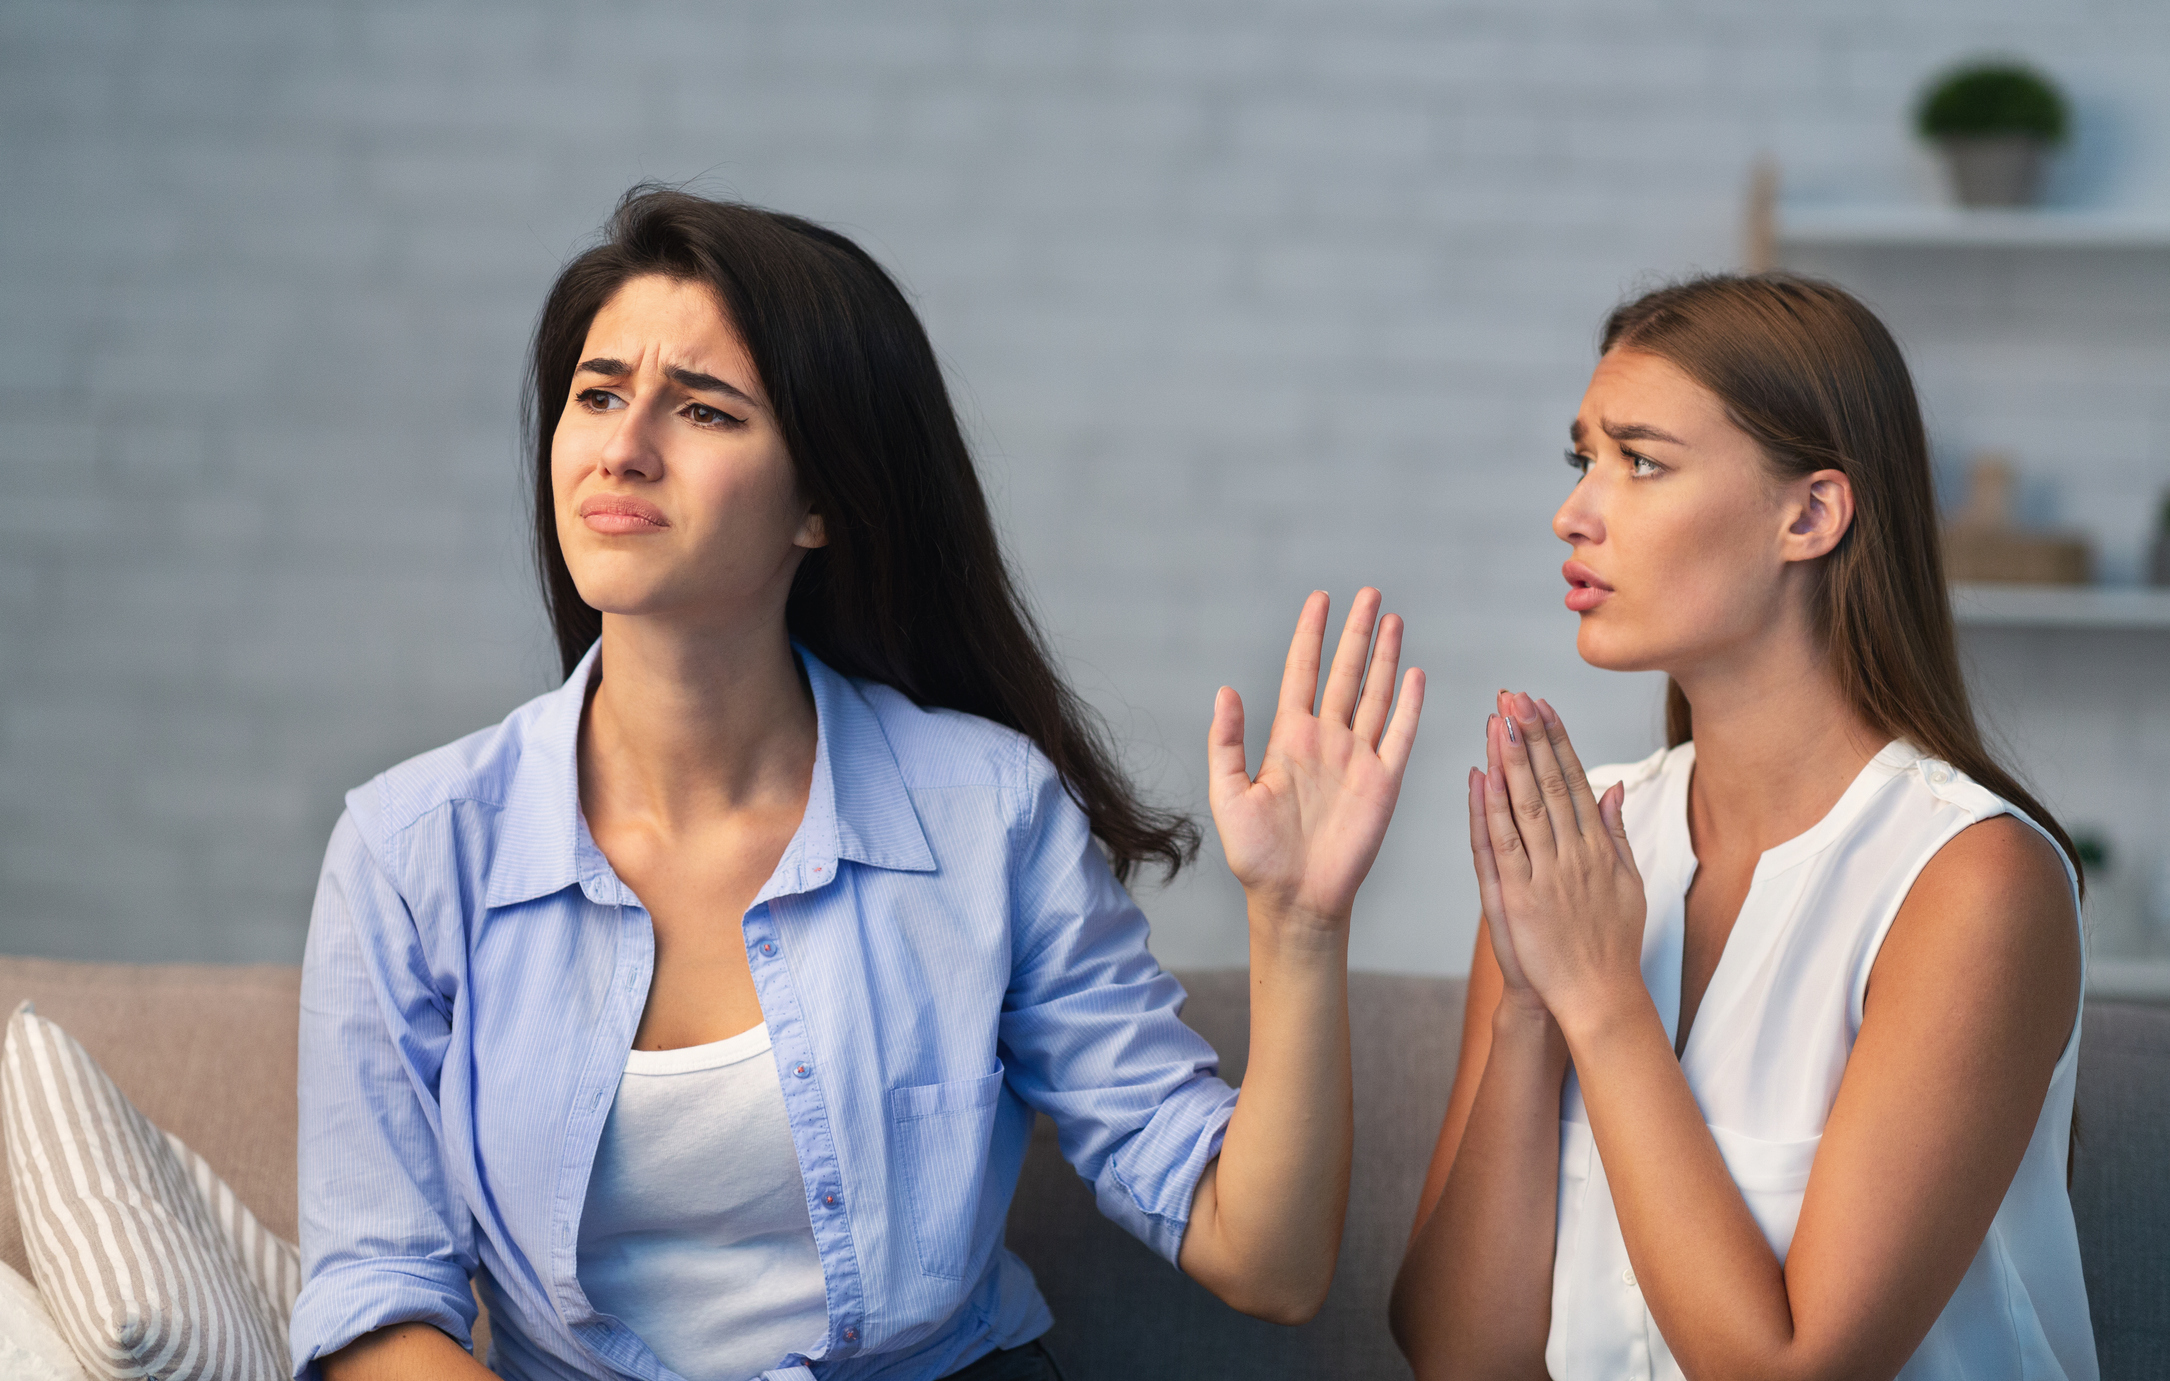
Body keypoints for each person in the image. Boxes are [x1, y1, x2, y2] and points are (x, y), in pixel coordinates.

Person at [292, 186, 1425, 1381]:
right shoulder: (411, 850)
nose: (624, 446)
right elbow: (376, 1297)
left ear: (824, 505)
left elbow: (1269, 1261)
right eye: (599, 393)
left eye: (704, 410)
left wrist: (1298, 925)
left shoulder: (988, 814)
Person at [1390, 274, 2095, 1381]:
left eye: (1642, 461)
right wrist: (1531, 1005)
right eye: (1582, 459)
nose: (1575, 512)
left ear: (1808, 514)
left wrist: (1603, 1000)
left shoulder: (1973, 882)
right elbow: (1457, 1357)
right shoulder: (1580, 860)